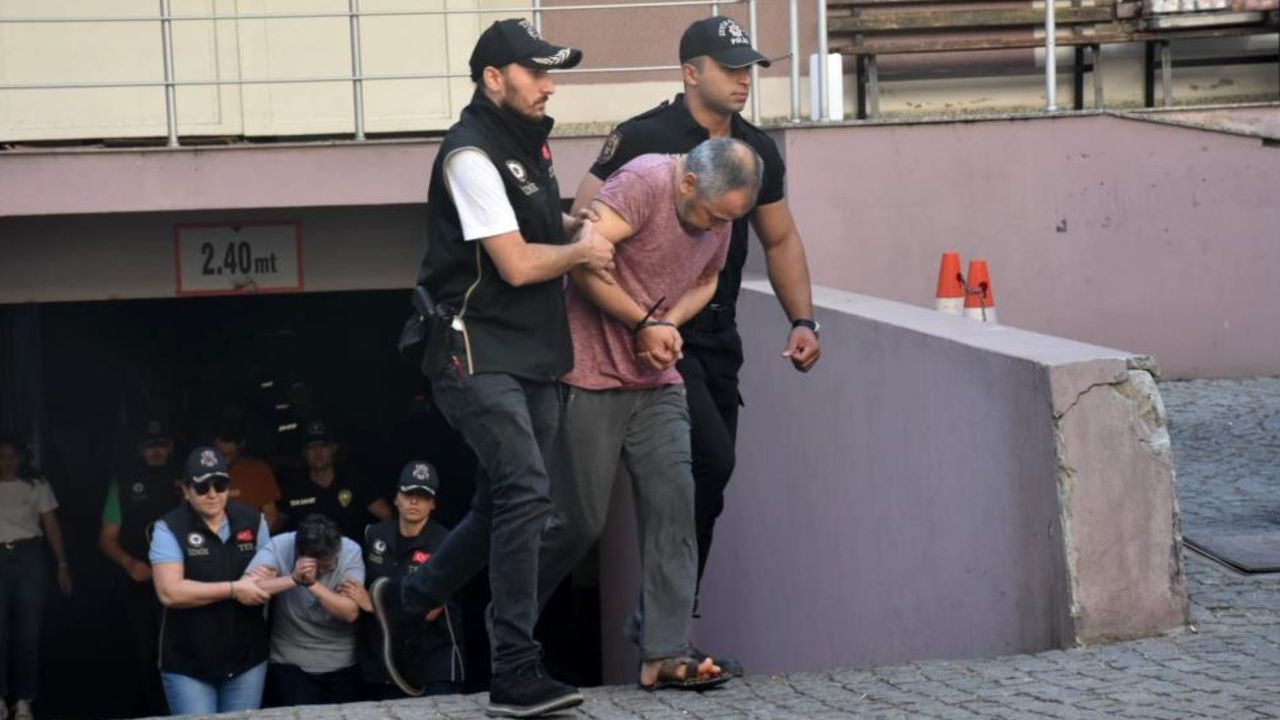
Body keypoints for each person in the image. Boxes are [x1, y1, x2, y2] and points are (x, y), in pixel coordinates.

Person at [570, 17, 824, 665]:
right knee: (698, 464)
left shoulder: (755, 151)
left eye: (749, 70)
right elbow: (582, 226)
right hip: (641, 333)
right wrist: (635, 317)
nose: (743, 81)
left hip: (713, 334)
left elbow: (780, 239)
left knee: (711, 473)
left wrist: (803, 320)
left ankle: (665, 620)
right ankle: (661, 622)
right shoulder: (643, 139)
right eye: (730, 68)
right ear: (691, 72)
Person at [397, 17, 613, 718]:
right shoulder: (469, 153)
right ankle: (515, 669)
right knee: (526, 490)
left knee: (501, 504)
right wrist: (581, 253)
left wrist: (576, 228)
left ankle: (410, 599)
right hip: (472, 350)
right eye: (537, 72)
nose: (550, 85)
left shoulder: (530, 140)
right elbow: (517, 264)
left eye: (552, 72)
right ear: (494, 79)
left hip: (533, 351)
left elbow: (534, 230)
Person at [538, 138, 759, 690]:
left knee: (674, 508)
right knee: (578, 522)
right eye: (714, 216)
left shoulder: (720, 212)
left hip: (657, 381)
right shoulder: (641, 183)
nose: (719, 228)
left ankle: (663, 651)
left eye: (728, 220)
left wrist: (666, 325)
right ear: (689, 183)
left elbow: (707, 278)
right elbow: (583, 263)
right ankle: (509, 619)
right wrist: (641, 323)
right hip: (589, 373)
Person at [149, 446, 272, 716]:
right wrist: (233, 589)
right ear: (186, 490)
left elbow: (268, 574)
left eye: (221, 484)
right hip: (188, 662)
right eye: (203, 487)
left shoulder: (254, 521)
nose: (213, 493)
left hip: (246, 659)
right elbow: (170, 592)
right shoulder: (169, 528)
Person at [345, 461, 464, 698]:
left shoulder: (446, 543)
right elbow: (353, 588)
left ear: (433, 504)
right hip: (384, 656)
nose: (414, 502)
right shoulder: (373, 534)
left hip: (434, 653)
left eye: (423, 496)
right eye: (408, 494)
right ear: (396, 498)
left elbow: (429, 611)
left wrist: (374, 606)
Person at [99, 419, 182, 717]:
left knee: (179, 647)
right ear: (140, 449)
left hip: (185, 581)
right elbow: (106, 539)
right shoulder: (123, 482)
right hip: (140, 581)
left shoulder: (186, 480)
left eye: (161, 445)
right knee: (145, 649)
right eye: (150, 446)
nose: (156, 451)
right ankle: (152, 709)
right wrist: (129, 563)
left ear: (171, 448)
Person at [245, 513, 364, 707]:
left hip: (341, 661)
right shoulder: (280, 545)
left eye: (329, 561)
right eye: (321, 563)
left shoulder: (350, 550)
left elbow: (350, 613)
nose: (327, 567)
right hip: (289, 662)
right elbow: (246, 589)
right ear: (301, 555)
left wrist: (312, 584)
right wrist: (292, 579)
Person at [0, 434, 71, 720]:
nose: (7, 462)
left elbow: (50, 523)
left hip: (28, 555)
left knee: (28, 631)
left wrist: (62, 563)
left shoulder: (36, 484)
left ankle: (24, 698)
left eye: (12, 456)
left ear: (21, 458)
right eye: (2, 457)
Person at [276, 420, 390, 543]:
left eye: (323, 446)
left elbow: (387, 516)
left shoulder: (354, 480)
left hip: (352, 552)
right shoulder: (294, 487)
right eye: (311, 447)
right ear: (304, 452)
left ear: (333, 448)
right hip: (308, 552)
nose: (318, 452)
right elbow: (275, 524)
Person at [213, 411, 284, 533]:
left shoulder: (258, 470)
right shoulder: (201, 472)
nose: (227, 460)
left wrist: (256, 541)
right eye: (222, 454)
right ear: (214, 445)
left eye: (231, 454)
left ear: (241, 445)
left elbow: (271, 516)